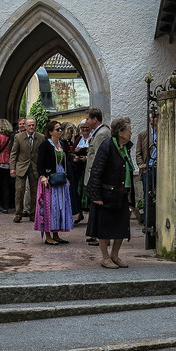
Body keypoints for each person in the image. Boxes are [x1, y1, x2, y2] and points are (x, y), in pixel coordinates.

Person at [86, 117, 133, 269]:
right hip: (107, 193)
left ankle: (115, 255)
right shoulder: (107, 146)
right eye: (129, 130)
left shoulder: (125, 147)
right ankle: (105, 257)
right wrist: (96, 195)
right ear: (120, 133)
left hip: (121, 192)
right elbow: (97, 170)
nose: (131, 132)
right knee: (105, 227)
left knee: (121, 226)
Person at [35, 120, 73, 245]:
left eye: (60, 129)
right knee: (49, 207)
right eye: (57, 129)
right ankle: (48, 235)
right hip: (49, 180)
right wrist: (43, 176)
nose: (60, 131)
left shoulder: (61, 144)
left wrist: (66, 177)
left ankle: (56, 234)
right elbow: (39, 163)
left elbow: (64, 163)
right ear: (51, 132)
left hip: (60, 178)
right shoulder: (45, 145)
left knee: (59, 207)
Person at [83, 108, 111, 246]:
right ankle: (95, 234)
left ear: (95, 119)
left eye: (88, 119)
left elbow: (100, 158)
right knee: (94, 207)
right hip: (94, 175)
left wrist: (95, 177)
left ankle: (101, 237)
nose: (86, 121)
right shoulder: (98, 132)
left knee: (98, 207)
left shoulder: (101, 134)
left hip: (96, 177)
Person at [10, 117, 41, 223]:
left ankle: (33, 214)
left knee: (34, 192)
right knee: (19, 191)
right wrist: (12, 168)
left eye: (33, 125)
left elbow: (42, 154)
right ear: (25, 126)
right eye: (29, 125)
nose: (31, 127)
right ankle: (18, 213)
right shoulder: (18, 137)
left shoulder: (40, 137)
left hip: (34, 167)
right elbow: (13, 153)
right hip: (21, 166)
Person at [136, 111, 158, 225]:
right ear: (150, 120)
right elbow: (138, 153)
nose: (155, 120)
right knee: (147, 195)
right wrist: (143, 167)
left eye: (157, 117)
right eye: (153, 117)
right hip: (148, 169)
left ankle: (158, 220)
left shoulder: (164, 132)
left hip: (161, 169)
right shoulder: (143, 134)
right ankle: (148, 223)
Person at [70, 121, 91, 224]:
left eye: (87, 128)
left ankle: (90, 213)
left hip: (89, 168)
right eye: (83, 128)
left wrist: (87, 158)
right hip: (79, 169)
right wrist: (76, 156)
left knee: (88, 190)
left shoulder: (93, 138)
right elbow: (72, 152)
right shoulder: (79, 139)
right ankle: (80, 213)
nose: (85, 130)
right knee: (79, 190)